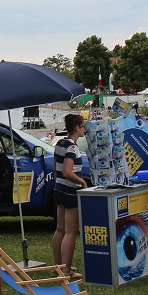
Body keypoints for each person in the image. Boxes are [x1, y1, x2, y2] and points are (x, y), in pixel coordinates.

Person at [51, 114, 89, 278]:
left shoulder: (59, 143)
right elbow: (67, 171)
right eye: (83, 126)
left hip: (58, 189)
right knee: (70, 232)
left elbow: (57, 168)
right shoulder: (72, 147)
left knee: (60, 229)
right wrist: (82, 182)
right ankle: (66, 270)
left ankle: (58, 266)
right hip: (69, 191)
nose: (84, 129)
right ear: (76, 128)